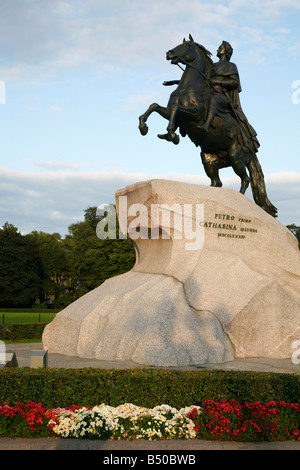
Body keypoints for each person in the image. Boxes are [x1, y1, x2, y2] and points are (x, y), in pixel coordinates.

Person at [199, 41, 260, 154]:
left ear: (226, 52)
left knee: (214, 100)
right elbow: (202, 80)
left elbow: (234, 83)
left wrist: (217, 81)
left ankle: (206, 125)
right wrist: (178, 82)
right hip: (209, 93)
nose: (217, 49)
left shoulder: (231, 66)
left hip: (222, 97)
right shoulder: (212, 66)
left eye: (220, 48)